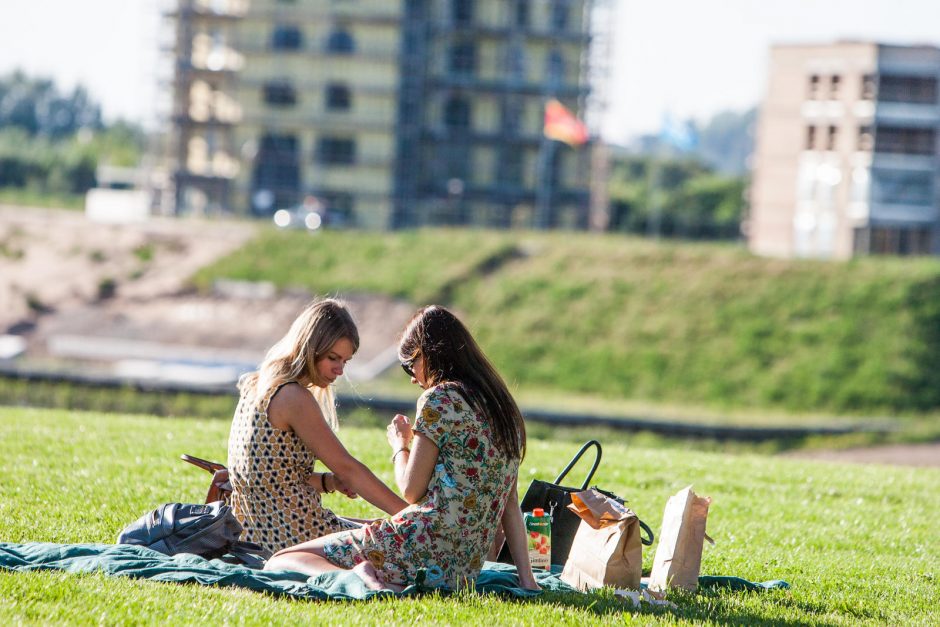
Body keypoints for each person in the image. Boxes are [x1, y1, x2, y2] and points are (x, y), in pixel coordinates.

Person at [264, 305, 539, 592]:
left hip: (419, 546)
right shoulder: (504, 408)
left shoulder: (439, 399)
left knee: (283, 560)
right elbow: (510, 505)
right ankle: (379, 580)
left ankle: (360, 576)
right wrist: (528, 580)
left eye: (410, 365)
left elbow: (411, 490)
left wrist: (400, 444)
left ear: (427, 353)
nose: (411, 376)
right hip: (462, 570)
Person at [227, 298, 407, 554]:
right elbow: (349, 469)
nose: (340, 370)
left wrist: (329, 482)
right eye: (334, 358)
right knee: (404, 539)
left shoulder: (257, 385)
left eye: (346, 361)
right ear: (310, 347)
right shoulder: (293, 397)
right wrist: (411, 518)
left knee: (380, 528)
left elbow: (272, 480)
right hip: (294, 534)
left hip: (256, 532)